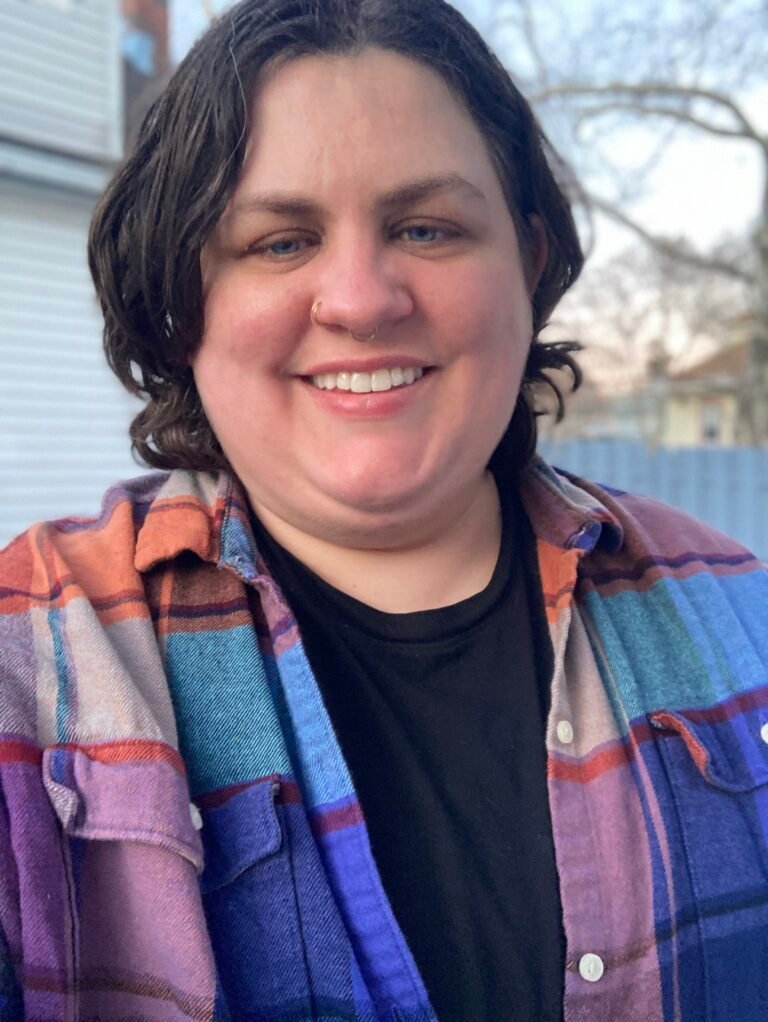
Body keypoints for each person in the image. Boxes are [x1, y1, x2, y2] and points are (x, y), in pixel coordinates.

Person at [1, 0, 767, 1020]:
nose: (361, 300)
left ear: (529, 262)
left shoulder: (744, 612)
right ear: (183, 305)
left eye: (425, 228)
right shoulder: (31, 665)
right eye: (281, 242)